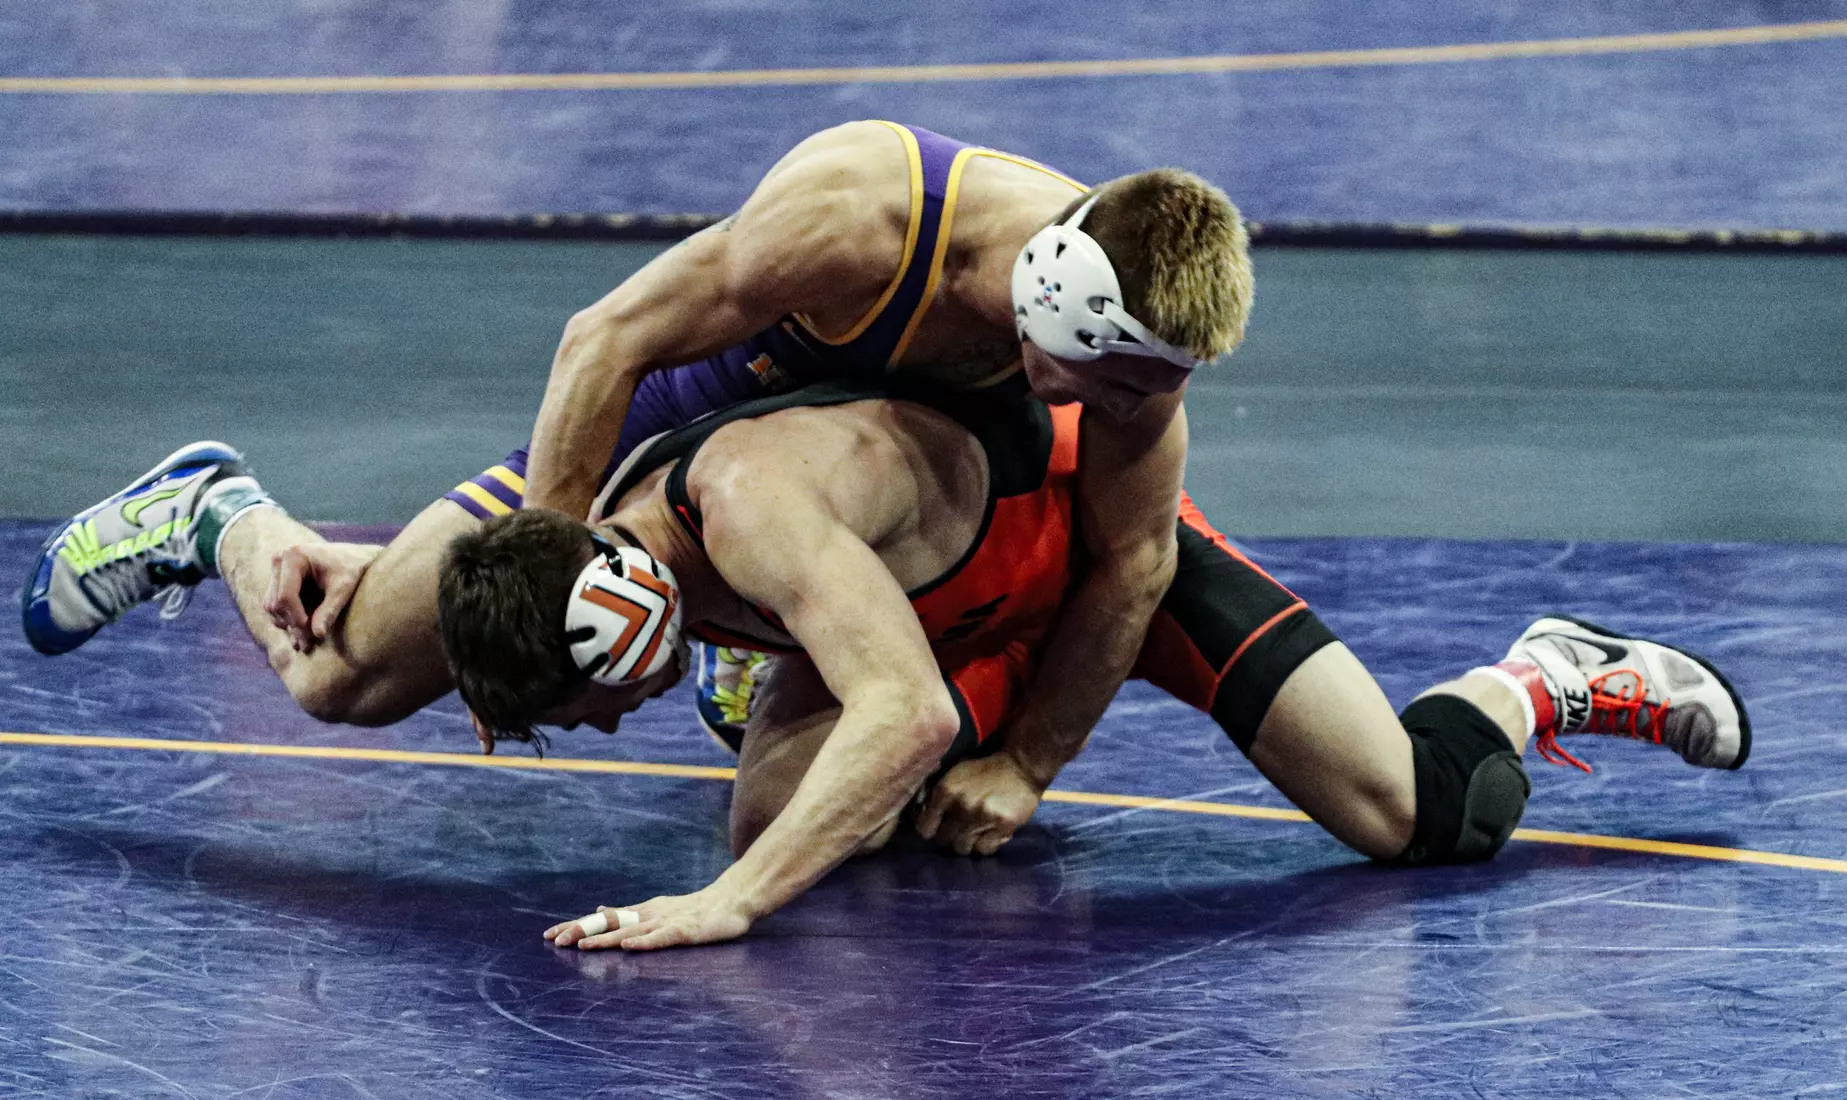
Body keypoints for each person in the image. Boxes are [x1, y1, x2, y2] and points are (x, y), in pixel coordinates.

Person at [24, 121, 1245, 852]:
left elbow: (1136, 558)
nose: (1129, 407)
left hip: (822, 495)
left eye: (1151, 383)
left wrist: (1026, 763)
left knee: (809, 758)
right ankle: (216, 514)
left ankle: (751, 627)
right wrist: (543, 580)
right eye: (1114, 377)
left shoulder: (1129, 343)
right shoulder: (863, 213)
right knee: (345, 677)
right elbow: (601, 340)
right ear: (1050, 300)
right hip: (669, 430)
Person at [430, 380, 1751, 952]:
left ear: (623, 624)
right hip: (937, 624)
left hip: (1089, 562)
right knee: (786, 811)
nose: (598, 735)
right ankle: (808, 703)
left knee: (1417, 813)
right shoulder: (605, 557)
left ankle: (1540, 675)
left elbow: (895, 716)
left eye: (582, 710)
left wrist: (729, 902)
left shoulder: (746, 505)